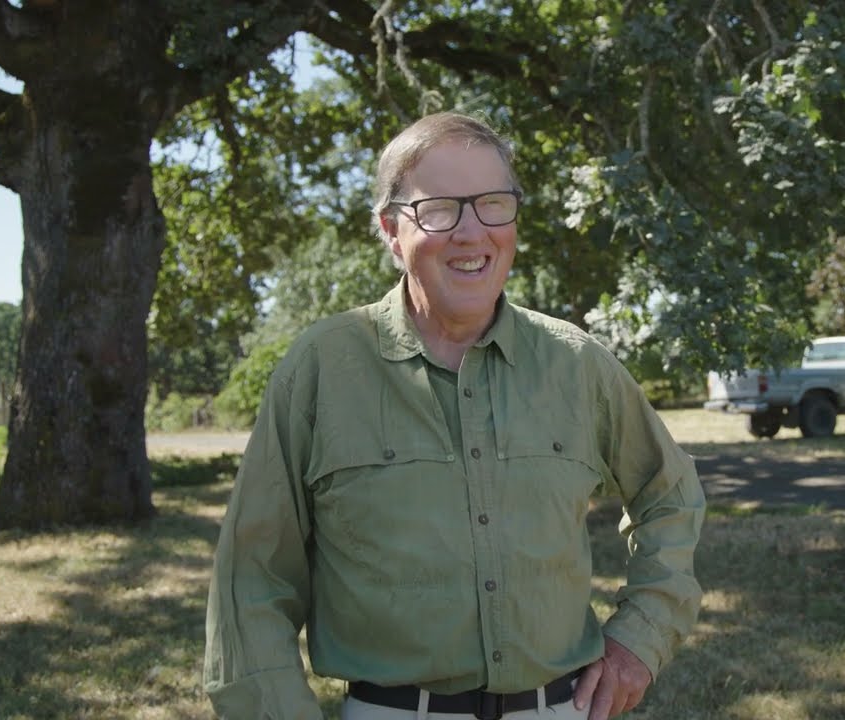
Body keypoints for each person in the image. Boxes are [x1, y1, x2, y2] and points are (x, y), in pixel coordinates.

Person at [203, 111, 706, 720]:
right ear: (392, 231)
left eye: (494, 204)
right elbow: (252, 578)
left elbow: (670, 496)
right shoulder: (321, 370)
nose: (472, 233)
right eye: (440, 208)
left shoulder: (578, 364)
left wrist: (641, 638)